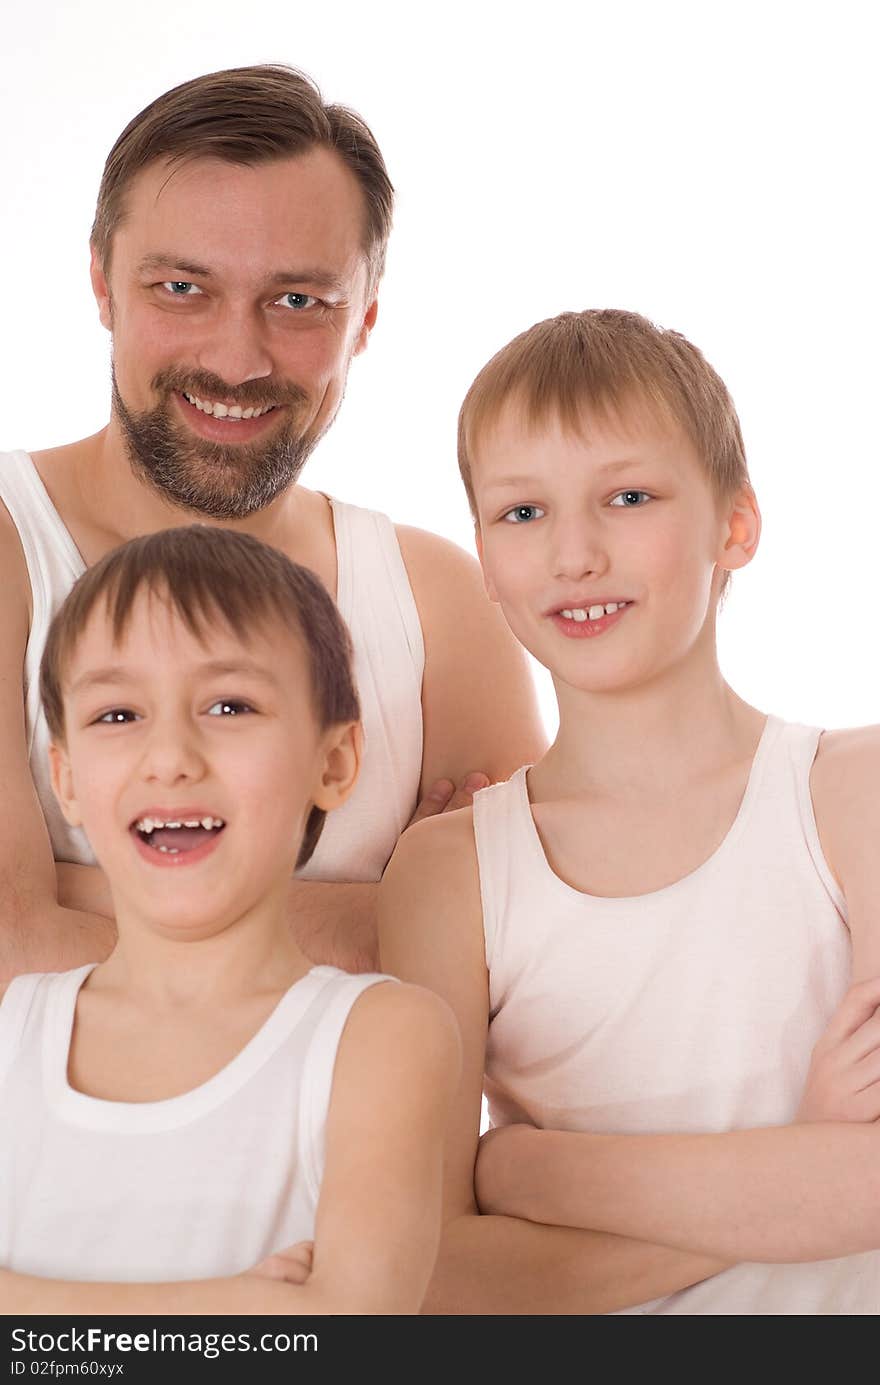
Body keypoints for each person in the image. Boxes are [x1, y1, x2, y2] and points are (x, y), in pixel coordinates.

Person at [379, 308, 880, 1314]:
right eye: (523, 512)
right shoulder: (450, 873)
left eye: (628, 496)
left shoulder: (852, 792)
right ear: (482, 553)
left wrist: (527, 1173)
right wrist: (794, 1169)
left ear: (733, 525)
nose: (574, 553)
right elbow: (429, 1272)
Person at [0, 64, 545, 983]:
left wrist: (84, 898)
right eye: (182, 287)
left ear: (364, 317)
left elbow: (535, 966)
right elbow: (13, 947)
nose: (236, 358)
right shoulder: (16, 549)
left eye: (298, 301)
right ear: (102, 284)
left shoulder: (440, 604)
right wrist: (400, 914)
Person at [0, 526, 459, 1313]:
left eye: (228, 704)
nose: (170, 754)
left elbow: (344, 1330)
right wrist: (238, 1300)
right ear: (66, 777)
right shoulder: (13, 1028)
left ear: (335, 762)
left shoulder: (381, 1036)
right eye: (118, 714)